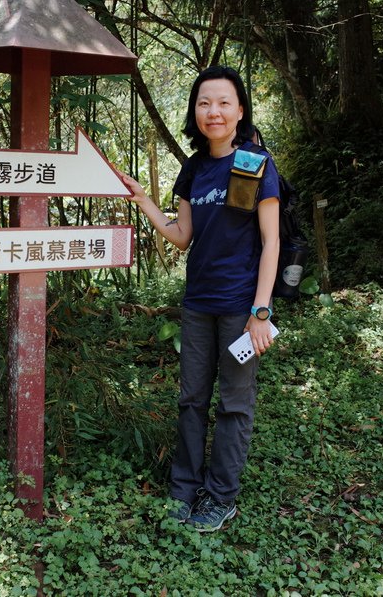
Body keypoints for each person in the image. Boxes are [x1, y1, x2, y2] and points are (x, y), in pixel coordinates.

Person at [119, 66, 280, 532]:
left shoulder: (255, 163)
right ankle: (184, 488)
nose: (214, 111)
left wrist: (260, 311)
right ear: (195, 111)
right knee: (191, 399)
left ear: (240, 110)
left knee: (233, 402)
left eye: (224, 102)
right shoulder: (193, 168)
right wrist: (147, 201)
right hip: (197, 305)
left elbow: (270, 242)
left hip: (240, 307)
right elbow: (182, 236)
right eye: (205, 102)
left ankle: (221, 495)